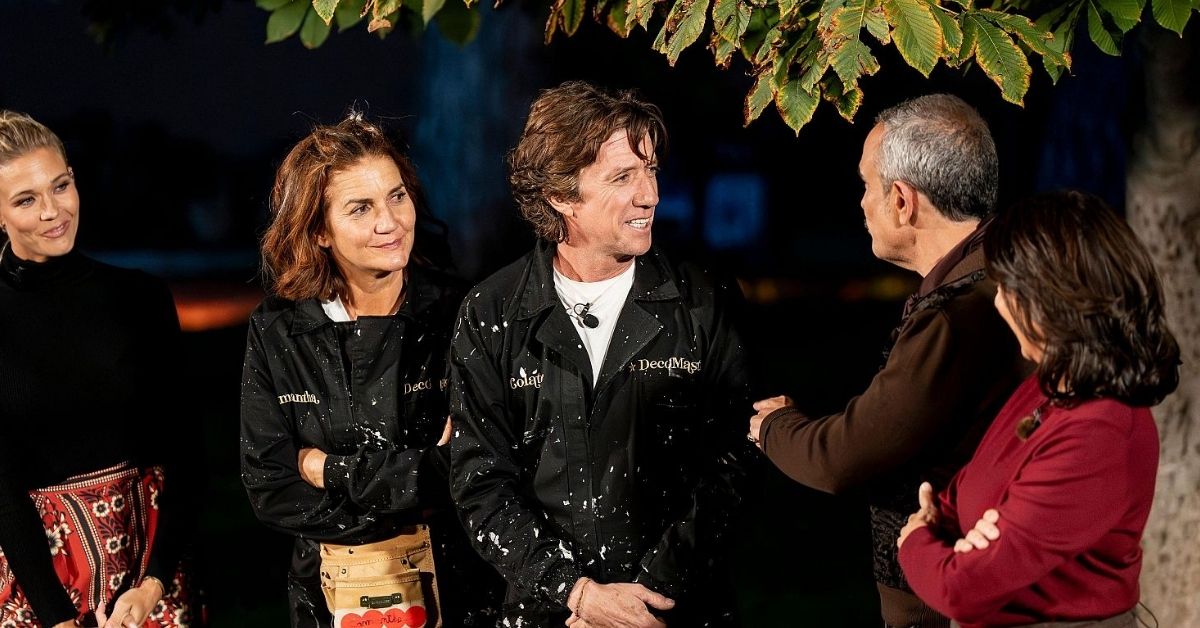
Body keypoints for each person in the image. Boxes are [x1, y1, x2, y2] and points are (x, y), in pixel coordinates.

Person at [449, 81, 753, 628]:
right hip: (548, 614)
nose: (650, 195)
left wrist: (649, 596)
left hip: (673, 612)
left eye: (651, 170)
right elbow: (481, 483)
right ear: (560, 195)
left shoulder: (703, 301)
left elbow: (732, 463)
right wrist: (577, 594)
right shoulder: (492, 313)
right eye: (622, 177)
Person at [747, 94, 1030, 627]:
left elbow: (846, 455)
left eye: (865, 185)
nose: (861, 204)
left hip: (949, 603)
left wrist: (773, 426)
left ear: (902, 200)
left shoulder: (957, 314)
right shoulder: (1005, 270)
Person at [239, 112, 501, 627]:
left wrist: (328, 470)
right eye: (361, 208)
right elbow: (270, 489)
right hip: (324, 601)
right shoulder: (277, 331)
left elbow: (468, 472)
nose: (391, 222)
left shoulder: (461, 314)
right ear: (319, 231)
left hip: (460, 592)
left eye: (397, 197)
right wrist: (410, 497)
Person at [895, 190, 1180, 627]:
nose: (998, 302)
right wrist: (954, 533)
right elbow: (955, 498)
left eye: (1008, 288)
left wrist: (916, 541)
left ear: (1049, 301)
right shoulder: (1048, 387)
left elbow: (961, 590)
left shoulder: (1099, 431)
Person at [0, 111, 198, 627]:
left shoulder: (140, 297)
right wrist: (57, 617)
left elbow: (185, 449)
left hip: (147, 576)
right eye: (26, 200)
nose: (53, 211)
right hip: (34, 587)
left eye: (60, 186)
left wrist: (154, 583)